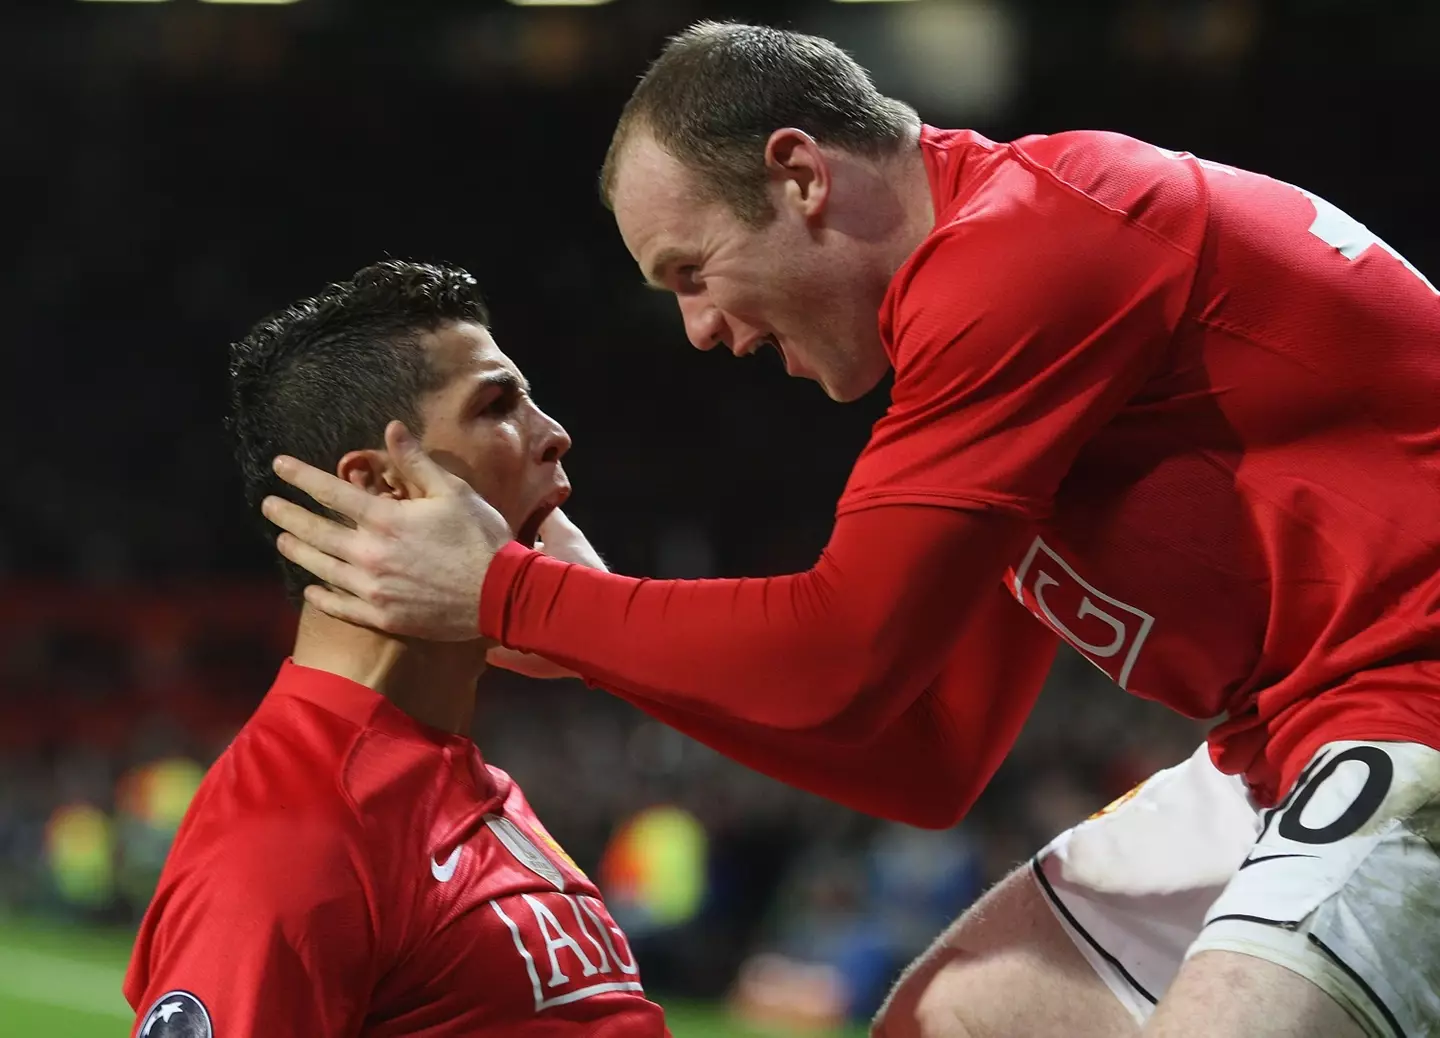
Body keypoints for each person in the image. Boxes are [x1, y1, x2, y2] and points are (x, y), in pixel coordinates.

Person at [261, 22, 1440, 1038]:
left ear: (799, 176)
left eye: (691, 271)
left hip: (1413, 691)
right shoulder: (991, 341)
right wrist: (571, 633)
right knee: (956, 1015)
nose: (701, 330)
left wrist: (511, 597)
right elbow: (921, 751)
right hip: (1290, 734)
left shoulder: (1027, 252)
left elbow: (843, 647)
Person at [124, 260, 672, 1037]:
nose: (554, 434)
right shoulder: (295, 832)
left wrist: (594, 628)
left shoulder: (447, 774)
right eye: (497, 405)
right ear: (383, 487)